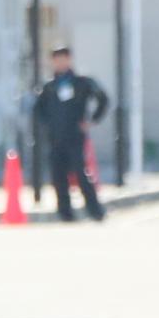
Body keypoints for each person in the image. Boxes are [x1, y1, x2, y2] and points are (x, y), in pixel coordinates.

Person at [29, 47, 109, 222]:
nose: (60, 62)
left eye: (63, 58)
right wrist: (47, 127)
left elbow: (103, 99)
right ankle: (65, 214)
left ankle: (96, 211)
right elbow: (38, 110)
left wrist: (92, 120)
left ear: (69, 59)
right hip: (56, 138)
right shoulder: (49, 86)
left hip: (75, 136)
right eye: (56, 59)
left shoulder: (82, 82)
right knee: (58, 176)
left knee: (81, 173)